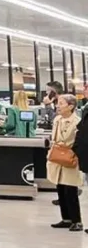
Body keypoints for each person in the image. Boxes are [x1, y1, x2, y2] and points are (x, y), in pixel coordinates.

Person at [48, 94, 82, 231]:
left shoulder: (77, 122)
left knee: (70, 189)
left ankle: (76, 221)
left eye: (61, 103)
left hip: (70, 157)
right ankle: (66, 218)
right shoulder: (57, 120)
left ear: (71, 106)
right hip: (57, 157)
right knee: (60, 188)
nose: (58, 106)